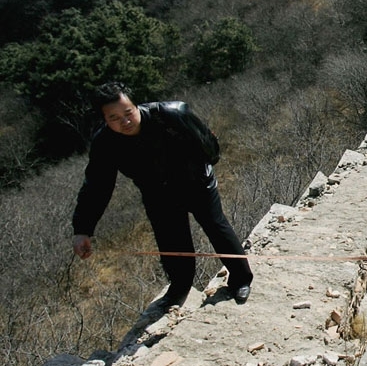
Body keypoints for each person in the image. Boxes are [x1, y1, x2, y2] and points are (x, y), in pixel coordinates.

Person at [71, 82, 253, 306]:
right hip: (157, 193)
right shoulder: (105, 143)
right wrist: (82, 229)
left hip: (196, 182)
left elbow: (208, 145)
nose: (125, 121)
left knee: (215, 226)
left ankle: (241, 279)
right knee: (171, 242)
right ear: (104, 120)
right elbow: (97, 186)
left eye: (128, 113)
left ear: (136, 105)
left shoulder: (171, 115)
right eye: (114, 118)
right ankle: (180, 287)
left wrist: (198, 169)